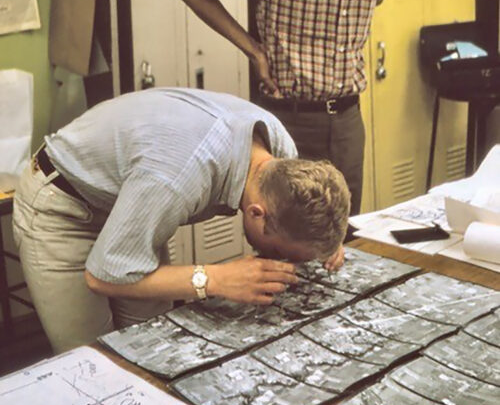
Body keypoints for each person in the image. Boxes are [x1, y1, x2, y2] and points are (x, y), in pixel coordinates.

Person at [12, 87, 350, 353]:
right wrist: (215, 279)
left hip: (135, 201)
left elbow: (312, 204)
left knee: (152, 345)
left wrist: (325, 243)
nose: (285, 263)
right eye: (284, 253)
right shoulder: (179, 176)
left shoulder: (279, 150)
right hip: (63, 206)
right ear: (257, 214)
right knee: (95, 365)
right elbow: (102, 277)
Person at [171, 0, 407, 216]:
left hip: (347, 120)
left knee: (345, 238)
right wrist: (253, 49)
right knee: (286, 237)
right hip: (290, 121)